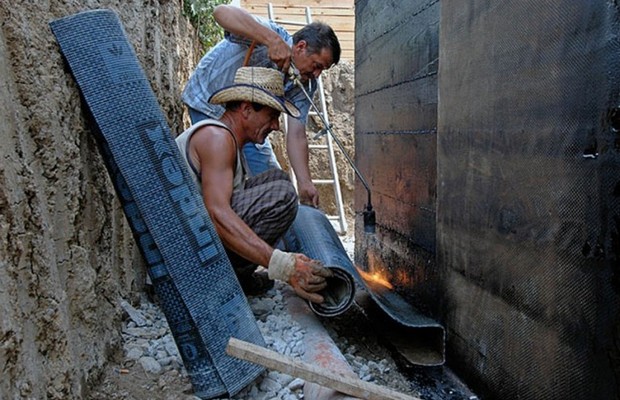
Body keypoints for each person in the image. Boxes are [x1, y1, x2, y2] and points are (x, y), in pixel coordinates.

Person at [176, 66, 332, 303]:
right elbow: (217, 213)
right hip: (185, 258)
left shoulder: (227, 140)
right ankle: (222, 283)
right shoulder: (217, 139)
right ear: (247, 109)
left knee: (277, 179)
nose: (276, 126)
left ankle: (238, 277)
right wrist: (284, 266)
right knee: (282, 194)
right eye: (271, 116)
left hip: (193, 242)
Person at [182, 4, 341, 208]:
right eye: (317, 65)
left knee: (273, 182)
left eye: (323, 70)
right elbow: (221, 12)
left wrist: (305, 182)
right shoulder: (270, 35)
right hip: (207, 103)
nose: (317, 74)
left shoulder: (305, 83)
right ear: (300, 47)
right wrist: (270, 40)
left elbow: (296, 134)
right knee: (223, 177)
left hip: (250, 122)